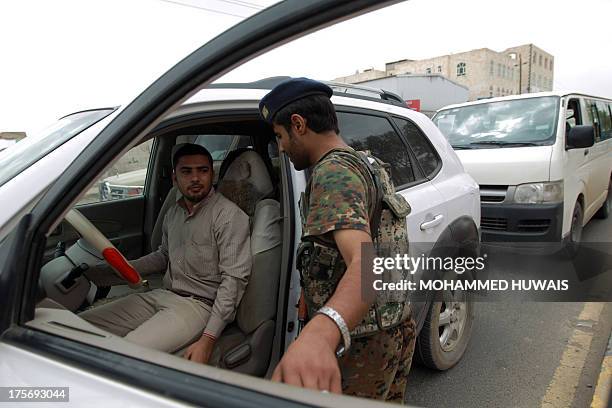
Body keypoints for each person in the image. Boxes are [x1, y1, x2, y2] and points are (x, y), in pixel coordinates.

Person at [260, 78, 415, 402]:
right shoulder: (364, 161)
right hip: (393, 324)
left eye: (279, 136)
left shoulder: (333, 173)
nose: (281, 148)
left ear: (298, 125)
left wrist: (322, 331)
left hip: (361, 342)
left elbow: (368, 263)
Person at [80, 143, 251, 364]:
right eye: (186, 172)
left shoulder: (228, 216)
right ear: (174, 178)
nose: (196, 178)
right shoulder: (174, 213)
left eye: (203, 170)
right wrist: (112, 270)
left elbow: (234, 281)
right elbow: (163, 256)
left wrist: (208, 340)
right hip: (162, 294)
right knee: (78, 325)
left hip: (198, 306)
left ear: (213, 174)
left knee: (124, 353)